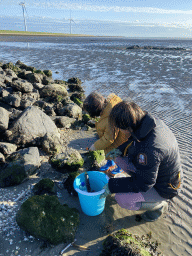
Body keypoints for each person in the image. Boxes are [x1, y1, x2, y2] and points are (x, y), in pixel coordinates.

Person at [101, 101, 183, 222]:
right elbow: (136, 138)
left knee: (122, 199)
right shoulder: (148, 122)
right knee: (118, 158)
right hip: (156, 173)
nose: (120, 131)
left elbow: (144, 184)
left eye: (120, 129)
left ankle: (158, 206)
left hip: (166, 187)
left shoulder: (150, 150)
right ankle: (133, 186)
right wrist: (120, 149)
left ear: (128, 128)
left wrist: (112, 186)